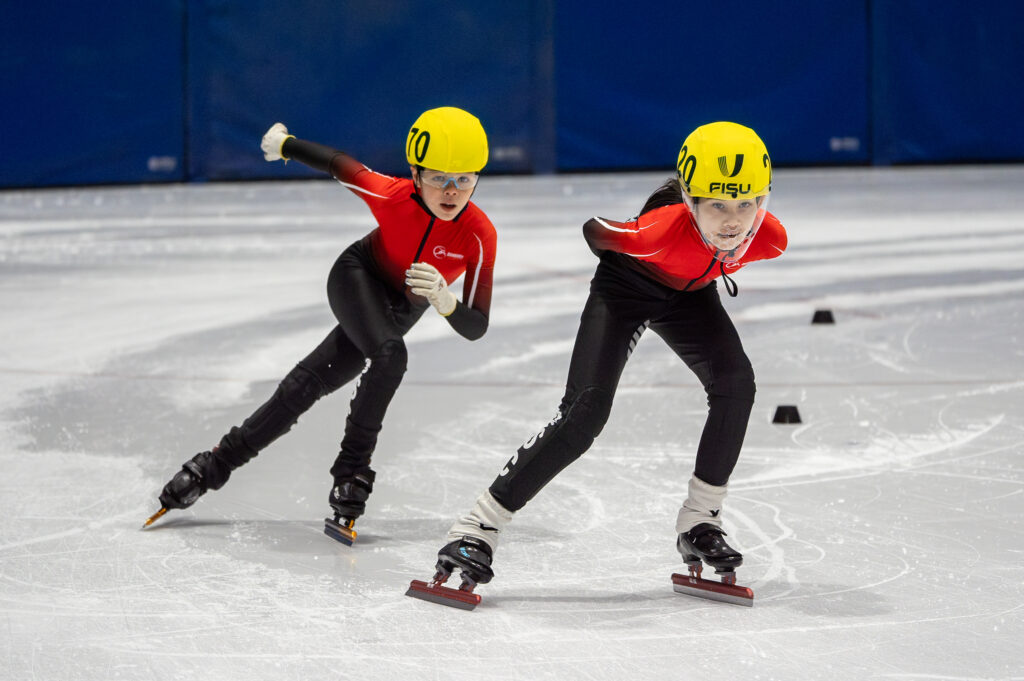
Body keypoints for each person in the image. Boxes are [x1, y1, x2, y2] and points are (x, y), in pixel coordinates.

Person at [420, 121, 787, 595]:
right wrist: (634, 244)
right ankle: (476, 528)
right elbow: (596, 232)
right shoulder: (656, 231)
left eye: (746, 203)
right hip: (626, 290)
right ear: (690, 201)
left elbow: (724, 245)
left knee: (737, 383)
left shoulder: (769, 238)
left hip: (690, 297)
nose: (733, 221)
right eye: (717, 205)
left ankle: (701, 522)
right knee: (584, 414)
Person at [145, 107, 497, 545]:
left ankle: (211, 466)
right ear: (415, 171)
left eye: (464, 179)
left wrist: (446, 302)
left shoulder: (480, 234)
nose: (451, 191)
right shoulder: (390, 194)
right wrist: (285, 145)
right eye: (439, 177)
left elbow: (476, 326)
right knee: (390, 355)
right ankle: (352, 473)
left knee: (307, 385)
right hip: (358, 277)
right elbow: (338, 163)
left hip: (402, 308)